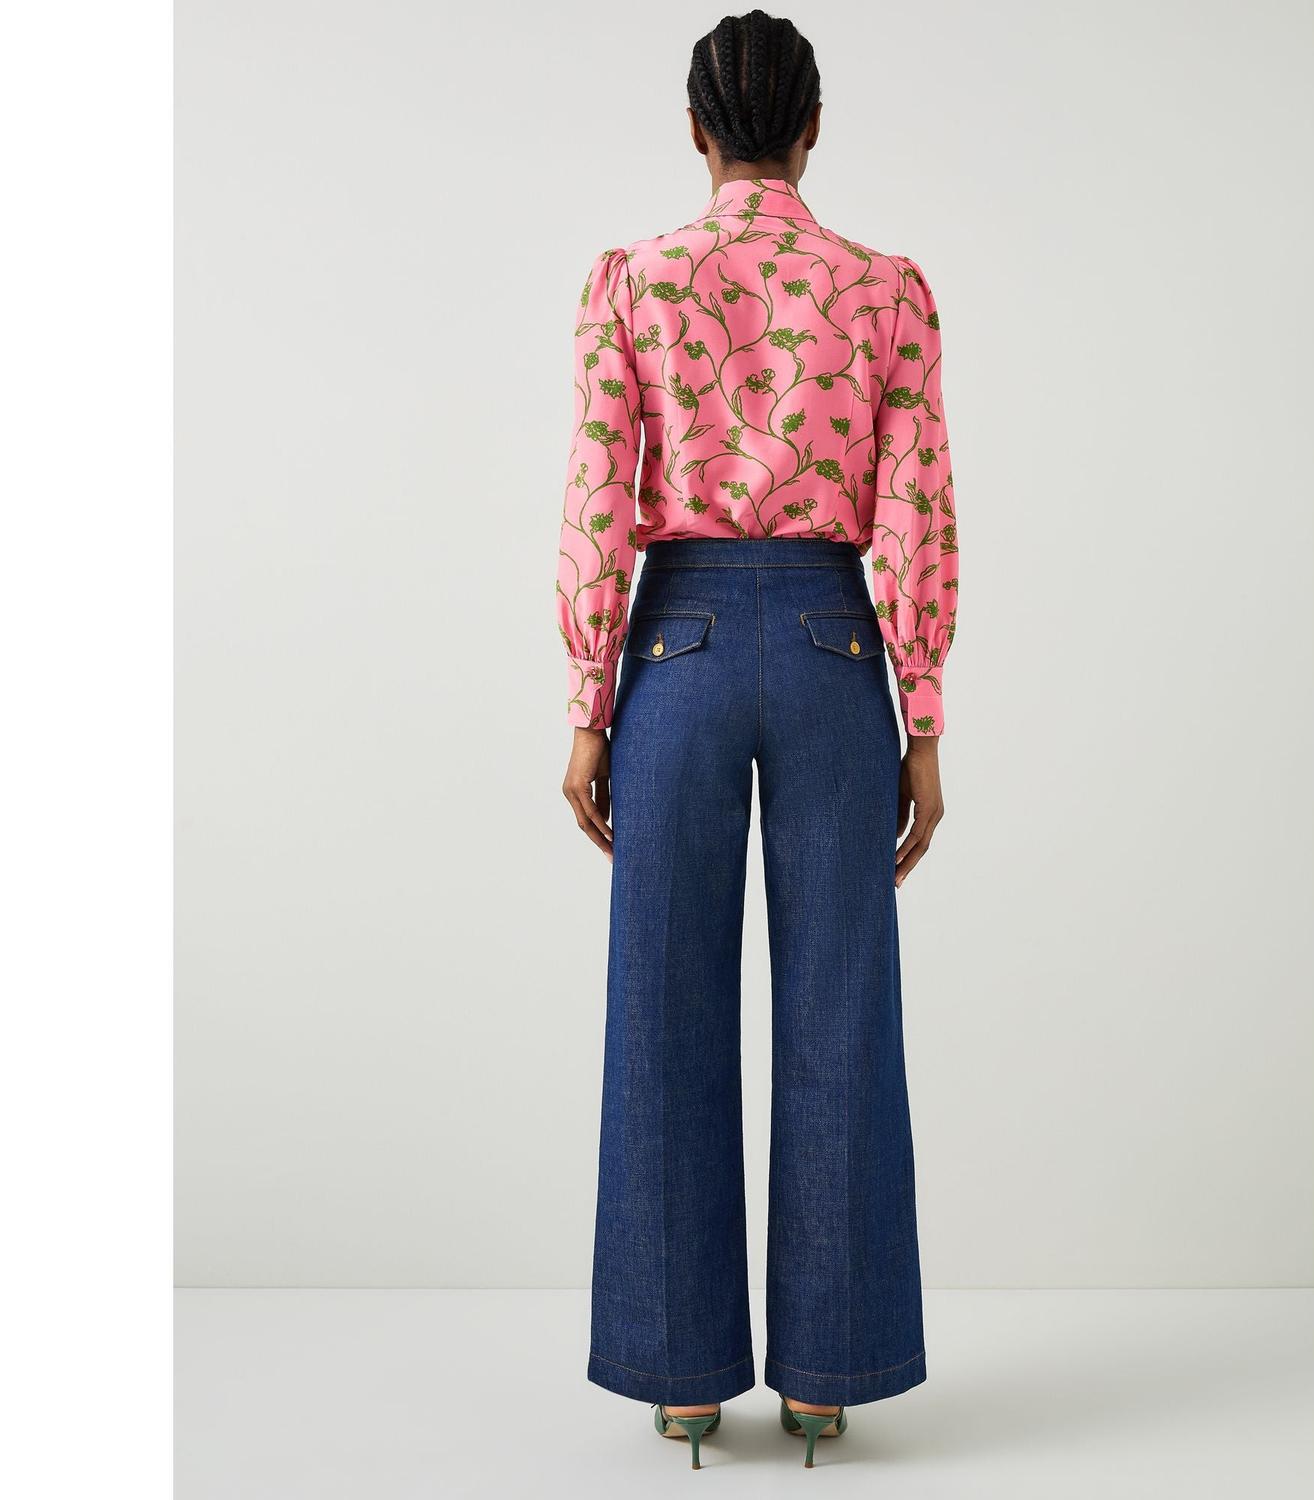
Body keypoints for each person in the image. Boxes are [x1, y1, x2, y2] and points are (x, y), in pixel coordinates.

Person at [555, 8, 958, 1470]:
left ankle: (680, 1375)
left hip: (676, 642)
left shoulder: (634, 281)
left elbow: (599, 498)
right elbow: (916, 507)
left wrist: (590, 704)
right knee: (841, 999)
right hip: (835, 642)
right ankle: (828, 1376)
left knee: (663, 998)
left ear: (696, 130)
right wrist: (922, 717)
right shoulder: (885, 290)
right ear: (812, 129)